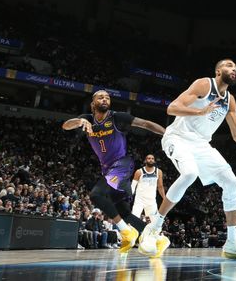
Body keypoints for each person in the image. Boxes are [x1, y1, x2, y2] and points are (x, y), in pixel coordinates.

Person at [138, 59, 236, 259]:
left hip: (201, 145)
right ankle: (153, 228)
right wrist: (199, 111)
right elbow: (172, 108)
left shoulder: (229, 100)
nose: (233, 69)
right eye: (228, 66)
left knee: (232, 183)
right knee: (190, 173)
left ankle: (232, 242)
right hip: (177, 137)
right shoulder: (204, 84)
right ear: (218, 71)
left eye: (235, 67)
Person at [62, 90, 165, 253]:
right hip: (108, 170)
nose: (105, 99)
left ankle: (126, 232)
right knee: (124, 213)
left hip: (122, 165)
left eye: (107, 97)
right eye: (100, 97)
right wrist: (80, 121)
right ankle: (159, 239)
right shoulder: (87, 119)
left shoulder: (117, 117)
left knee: (96, 195)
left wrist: (167, 134)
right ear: (92, 104)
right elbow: (66, 125)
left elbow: (145, 124)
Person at [131, 154, 166, 221]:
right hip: (139, 199)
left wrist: (164, 198)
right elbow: (133, 186)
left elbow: (160, 186)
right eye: (149, 158)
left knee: (153, 221)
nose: (151, 160)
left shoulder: (158, 172)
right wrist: (129, 196)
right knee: (134, 218)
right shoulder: (139, 172)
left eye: (152, 158)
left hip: (151, 200)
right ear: (145, 160)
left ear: (154, 161)